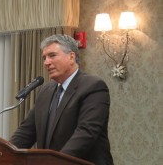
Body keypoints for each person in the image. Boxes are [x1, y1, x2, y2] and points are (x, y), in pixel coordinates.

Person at [9, 34, 114, 165]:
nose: (46, 62)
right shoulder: (45, 91)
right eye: (44, 57)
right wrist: (3, 154)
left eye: (52, 55)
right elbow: (26, 132)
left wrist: (55, 162)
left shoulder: (93, 86)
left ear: (71, 57)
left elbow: (86, 133)